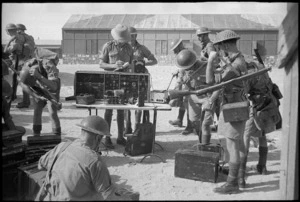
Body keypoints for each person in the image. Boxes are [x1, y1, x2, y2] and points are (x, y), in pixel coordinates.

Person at [36, 116, 133, 200]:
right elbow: (108, 195)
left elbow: (41, 164)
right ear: (98, 138)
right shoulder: (95, 161)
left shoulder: (62, 146)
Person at [205, 30, 248, 194]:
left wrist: (210, 61)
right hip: (235, 104)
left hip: (234, 107)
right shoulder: (237, 59)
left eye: (220, 46)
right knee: (237, 144)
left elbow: (210, 82)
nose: (219, 49)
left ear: (225, 44)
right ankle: (238, 176)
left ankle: (233, 183)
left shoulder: (236, 64)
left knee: (232, 146)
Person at [240, 57, 281, 188]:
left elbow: (244, 92)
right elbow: (269, 83)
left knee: (246, 136)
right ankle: (262, 166)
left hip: (256, 106)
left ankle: (241, 172)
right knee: (262, 134)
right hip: (269, 104)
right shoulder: (261, 68)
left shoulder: (249, 73)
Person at [99, 24, 134, 149]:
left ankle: (120, 137)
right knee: (109, 110)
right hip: (110, 82)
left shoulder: (129, 48)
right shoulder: (107, 47)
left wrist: (127, 65)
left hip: (123, 82)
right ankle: (107, 137)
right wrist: (114, 66)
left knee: (120, 109)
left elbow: (132, 64)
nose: (122, 42)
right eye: (121, 40)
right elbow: (101, 64)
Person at [124, 26, 158, 134]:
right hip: (127, 78)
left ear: (136, 36)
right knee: (126, 102)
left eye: (134, 35)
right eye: (130, 36)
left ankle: (137, 127)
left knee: (140, 102)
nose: (132, 38)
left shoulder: (142, 48)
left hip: (140, 78)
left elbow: (154, 61)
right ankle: (127, 127)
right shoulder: (123, 49)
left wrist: (142, 64)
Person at [20, 56, 61, 136]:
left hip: (51, 85)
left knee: (52, 112)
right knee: (37, 110)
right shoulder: (26, 68)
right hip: (38, 85)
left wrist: (39, 76)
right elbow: (23, 84)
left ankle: (57, 135)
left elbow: (54, 86)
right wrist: (35, 96)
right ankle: (36, 134)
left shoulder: (49, 66)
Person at [174, 49, 209, 141]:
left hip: (206, 95)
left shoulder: (204, 66)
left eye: (188, 67)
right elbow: (178, 84)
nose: (186, 69)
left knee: (205, 123)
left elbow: (211, 81)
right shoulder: (183, 68)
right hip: (192, 95)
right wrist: (176, 95)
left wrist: (197, 77)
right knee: (194, 122)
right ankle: (200, 139)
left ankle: (205, 143)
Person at [195, 27, 221, 142]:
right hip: (210, 83)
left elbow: (214, 58)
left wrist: (204, 61)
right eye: (198, 36)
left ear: (206, 35)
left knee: (207, 121)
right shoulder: (205, 46)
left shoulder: (209, 46)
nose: (199, 38)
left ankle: (206, 146)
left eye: (201, 36)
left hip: (214, 84)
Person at [168, 38, 193, 135]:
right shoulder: (180, 54)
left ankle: (190, 126)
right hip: (181, 81)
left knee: (188, 103)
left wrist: (186, 78)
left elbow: (191, 67)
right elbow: (182, 67)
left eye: (175, 49)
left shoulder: (188, 53)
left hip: (187, 82)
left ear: (179, 46)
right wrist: (177, 72)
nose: (174, 51)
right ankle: (179, 120)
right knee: (182, 101)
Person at [3, 23, 26, 103]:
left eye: (7, 31)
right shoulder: (21, 36)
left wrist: (9, 41)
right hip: (21, 60)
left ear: (9, 31)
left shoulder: (14, 40)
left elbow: (5, 50)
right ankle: (15, 95)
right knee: (18, 79)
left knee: (15, 79)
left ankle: (12, 96)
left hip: (17, 60)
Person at [15, 23, 36, 108]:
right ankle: (27, 101)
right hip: (30, 61)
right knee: (27, 82)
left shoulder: (21, 38)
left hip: (24, 62)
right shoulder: (29, 37)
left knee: (23, 82)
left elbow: (25, 48)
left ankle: (26, 102)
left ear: (19, 30)